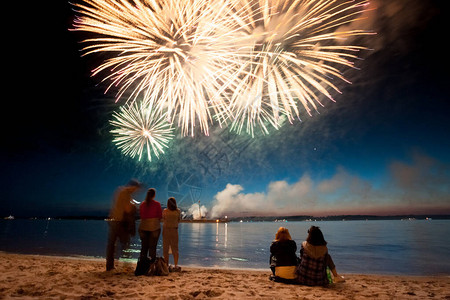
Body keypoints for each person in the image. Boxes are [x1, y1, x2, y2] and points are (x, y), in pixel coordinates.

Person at [106, 179, 142, 271]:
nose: (136, 191)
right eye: (136, 189)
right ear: (133, 186)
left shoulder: (119, 190)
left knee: (112, 244)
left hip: (113, 219)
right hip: (119, 222)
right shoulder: (125, 193)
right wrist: (134, 207)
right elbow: (128, 209)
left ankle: (110, 266)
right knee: (125, 243)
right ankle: (126, 265)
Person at [139, 188, 162, 261]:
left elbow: (141, 216)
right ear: (154, 195)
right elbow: (160, 216)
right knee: (152, 248)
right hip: (154, 227)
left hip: (143, 227)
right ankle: (152, 266)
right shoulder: (157, 204)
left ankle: (142, 266)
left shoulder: (142, 204)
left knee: (144, 248)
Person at [162, 197, 181, 271]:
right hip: (174, 230)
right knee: (175, 249)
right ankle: (176, 265)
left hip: (166, 230)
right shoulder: (178, 211)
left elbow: (163, 219)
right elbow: (179, 220)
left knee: (165, 249)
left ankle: (166, 265)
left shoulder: (165, 211)